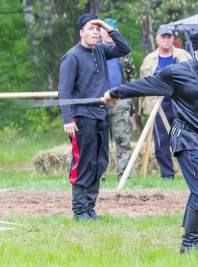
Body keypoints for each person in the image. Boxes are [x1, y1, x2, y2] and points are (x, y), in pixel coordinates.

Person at [103, 28, 198, 253]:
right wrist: (116, 92)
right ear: (196, 50)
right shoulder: (175, 73)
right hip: (187, 136)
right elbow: (144, 85)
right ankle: (189, 244)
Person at [58, 13, 130, 220]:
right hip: (81, 117)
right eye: (91, 28)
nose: (95, 32)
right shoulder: (72, 57)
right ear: (81, 32)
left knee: (100, 162)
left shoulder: (100, 50)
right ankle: (79, 210)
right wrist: (67, 120)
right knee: (84, 163)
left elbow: (124, 48)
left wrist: (108, 27)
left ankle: (90, 208)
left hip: (101, 114)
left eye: (97, 29)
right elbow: (64, 92)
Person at [140, 26, 191, 180]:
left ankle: (189, 173)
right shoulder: (149, 59)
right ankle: (167, 175)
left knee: (183, 139)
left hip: (181, 105)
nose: (167, 39)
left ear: (173, 39)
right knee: (161, 142)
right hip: (158, 105)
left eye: (169, 37)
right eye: (163, 37)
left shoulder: (184, 56)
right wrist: (142, 108)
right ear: (157, 39)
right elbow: (143, 83)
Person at [100, 18, 136, 180]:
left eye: (111, 30)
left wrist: (132, 108)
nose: (108, 34)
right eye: (105, 31)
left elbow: (131, 81)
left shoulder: (124, 54)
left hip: (120, 102)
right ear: (100, 32)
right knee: (99, 141)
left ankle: (124, 176)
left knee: (123, 140)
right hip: (98, 102)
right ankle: (99, 176)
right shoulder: (94, 50)